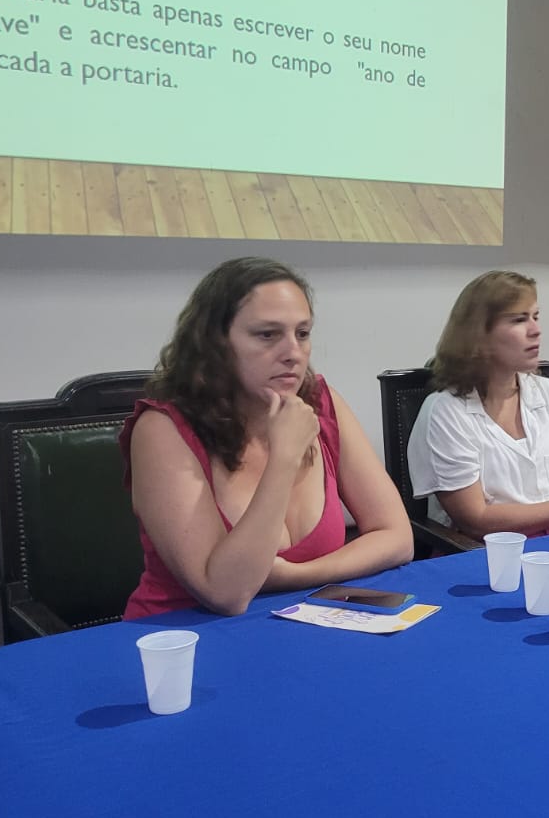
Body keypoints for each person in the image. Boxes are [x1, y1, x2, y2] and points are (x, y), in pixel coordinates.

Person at [121, 257, 413, 619]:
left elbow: (397, 537)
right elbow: (226, 594)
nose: (293, 353)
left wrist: (296, 576)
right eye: (267, 335)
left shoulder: (321, 403)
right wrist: (284, 458)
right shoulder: (162, 429)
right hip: (184, 634)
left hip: (304, 621)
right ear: (215, 343)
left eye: (302, 333)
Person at [407, 270, 549, 538]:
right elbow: (476, 519)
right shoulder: (445, 412)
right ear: (478, 334)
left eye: (536, 317)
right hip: (489, 552)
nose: (536, 330)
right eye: (519, 319)